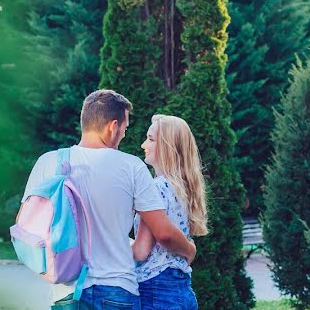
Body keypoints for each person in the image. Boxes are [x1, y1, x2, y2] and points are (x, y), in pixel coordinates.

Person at [22, 90, 196, 309]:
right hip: (117, 290)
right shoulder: (132, 166)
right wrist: (190, 249)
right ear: (113, 126)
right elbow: (162, 232)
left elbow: (28, 227)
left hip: (66, 290)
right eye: (125, 128)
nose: (123, 134)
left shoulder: (47, 162)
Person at [131, 114, 207, 310]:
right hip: (181, 287)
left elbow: (141, 251)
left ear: (168, 146)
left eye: (150, 139)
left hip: (156, 289)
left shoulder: (154, 189)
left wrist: (106, 251)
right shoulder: (182, 189)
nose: (143, 145)